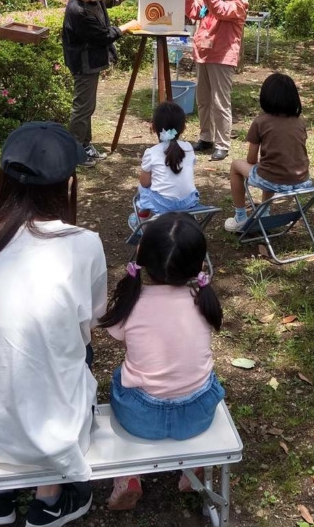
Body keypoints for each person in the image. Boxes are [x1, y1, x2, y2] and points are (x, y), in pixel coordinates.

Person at [0, 122, 106, 527]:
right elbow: (90, 325)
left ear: (3, 179)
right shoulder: (83, 244)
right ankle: (49, 499)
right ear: (68, 184)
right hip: (50, 435)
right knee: (76, 352)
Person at [99, 213, 225, 510]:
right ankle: (193, 467)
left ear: (141, 255)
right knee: (205, 375)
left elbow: (119, 336)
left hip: (140, 418)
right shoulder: (203, 301)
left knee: (120, 377)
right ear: (200, 265)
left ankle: (128, 476)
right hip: (197, 414)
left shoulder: (132, 302)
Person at [63, 0, 141, 167]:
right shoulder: (78, 11)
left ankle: (85, 145)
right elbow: (102, 36)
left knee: (88, 107)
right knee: (82, 108)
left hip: (91, 61)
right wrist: (125, 27)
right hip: (84, 63)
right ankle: (75, 152)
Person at [225, 73, 312, 233]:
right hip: (301, 180)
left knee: (236, 166)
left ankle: (240, 217)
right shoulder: (300, 122)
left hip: (272, 178)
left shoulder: (261, 122)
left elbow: (251, 159)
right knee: (269, 167)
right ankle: (264, 213)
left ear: (265, 97)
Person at [185, 0, 249, 161]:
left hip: (222, 58)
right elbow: (193, 10)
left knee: (220, 102)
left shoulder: (237, 4)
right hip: (203, 55)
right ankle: (206, 138)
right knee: (203, 99)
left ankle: (222, 144)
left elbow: (219, 9)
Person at [129, 101, 200, 230]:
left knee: (143, 188)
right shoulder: (189, 147)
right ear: (183, 128)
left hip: (163, 204)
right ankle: (190, 219)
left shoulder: (151, 152)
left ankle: (142, 221)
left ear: (153, 128)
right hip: (188, 202)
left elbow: (145, 183)